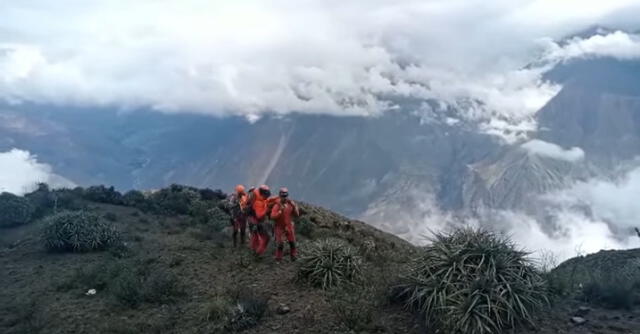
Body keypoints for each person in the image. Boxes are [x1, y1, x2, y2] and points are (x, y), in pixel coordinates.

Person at [270, 187, 300, 262]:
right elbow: (272, 216)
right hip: (279, 227)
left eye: (286, 196)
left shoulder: (290, 204)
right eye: (283, 196)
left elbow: (296, 215)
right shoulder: (277, 206)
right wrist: (280, 212)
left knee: (292, 242)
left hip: (289, 226)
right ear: (280, 196)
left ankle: (293, 256)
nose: (284, 198)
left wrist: (295, 207)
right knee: (280, 244)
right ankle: (278, 258)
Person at [246, 185, 272, 256]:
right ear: (263, 194)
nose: (267, 197)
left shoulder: (257, 198)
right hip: (255, 220)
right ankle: (258, 253)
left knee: (255, 236)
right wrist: (267, 210)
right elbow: (259, 215)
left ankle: (254, 251)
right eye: (266, 196)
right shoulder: (258, 202)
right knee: (265, 237)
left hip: (252, 219)